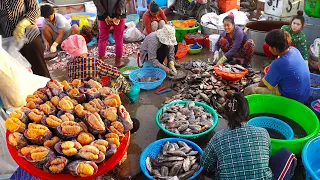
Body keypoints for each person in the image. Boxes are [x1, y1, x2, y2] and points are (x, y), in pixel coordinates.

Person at [201, 93, 297, 180]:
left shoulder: (218, 137)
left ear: (227, 115)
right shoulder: (263, 132)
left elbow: (205, 164)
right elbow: (267, 158)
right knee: (286, 153)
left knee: (218, 159)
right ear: (248, 113)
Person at [245, 29, 310, 103]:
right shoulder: (294, 50)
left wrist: (257, 86)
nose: (268, 48)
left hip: (292, 99)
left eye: (269, 46)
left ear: (275, 49)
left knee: (249, 90)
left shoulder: (278, 63)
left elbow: (263, 84)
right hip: (304, 95)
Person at [61, 34, 130, 93]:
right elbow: (115, 72)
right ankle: (129, 92)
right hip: (95, 93)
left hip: (79, 94)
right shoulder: (94, 62)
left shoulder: (69, 65)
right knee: (119, 77)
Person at [0, 0, 50, 78]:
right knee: (19, 78)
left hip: (29, 37)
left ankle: (50, 89)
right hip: (10, 44)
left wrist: (22, 24)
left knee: (41, 73)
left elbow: (35, 9)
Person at [93, 0, 126, 68]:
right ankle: (117, 62)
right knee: (119, 38)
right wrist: (118, 16)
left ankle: (101, 63)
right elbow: (121, 1)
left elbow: (97, 1)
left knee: (102, 38)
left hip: (103, 15)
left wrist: (105, 15)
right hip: (118, 14)